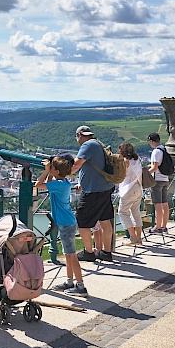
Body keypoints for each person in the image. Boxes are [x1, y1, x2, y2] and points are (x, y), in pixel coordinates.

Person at [35, 156, 88, 296]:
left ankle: (81, 286)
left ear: (56, 171)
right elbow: (48, 184)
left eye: (52, 167)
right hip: (67, 222)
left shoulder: (58, 185)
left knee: (71, 255)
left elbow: (38, 185)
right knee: (67, 254)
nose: (50, 167)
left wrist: (46, 171)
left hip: (65, 224)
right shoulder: (63, 182)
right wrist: (50, 172)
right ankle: (69, 282)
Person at [71, 126, 115, 263]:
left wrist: (59, 173)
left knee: (82, 221)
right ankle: (106, 252)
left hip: (93, 191)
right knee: (105, 220)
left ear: (79, 135)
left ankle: (88, 252)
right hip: (106, 188)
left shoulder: (87, 146)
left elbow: (76, 166)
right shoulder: (98, 143)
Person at [117, 142, 143, 245]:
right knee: (136, 213)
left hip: (128, 188)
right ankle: (139, 237)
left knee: (123, 212)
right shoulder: (137, 159)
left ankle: (132, 237)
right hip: (138, 187)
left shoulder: (125, 161)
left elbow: (120, 176)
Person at [147, 132, 170, 233]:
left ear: (151, 141)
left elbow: (154, 167)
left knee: (158, 205)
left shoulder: (156, 151)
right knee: (165, 204)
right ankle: (164, 226)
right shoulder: (165, 149)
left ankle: (158, 227)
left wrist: (145, 174)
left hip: (157, 180)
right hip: (165, 179)